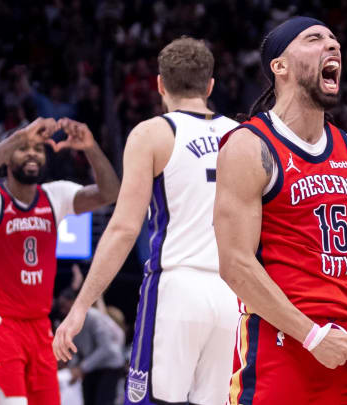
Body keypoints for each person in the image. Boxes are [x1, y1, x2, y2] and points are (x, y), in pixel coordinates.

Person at [213, 16, 347, 404]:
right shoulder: (250, 147)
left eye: (335, 40)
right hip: (284, 345)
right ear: (279, 66)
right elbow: (236, 264)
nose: (332, 45)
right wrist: (312, 335)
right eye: (315, 39)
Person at [53, 37, 240, 404]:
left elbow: (124, 228)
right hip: (232, 294)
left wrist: (80, 307)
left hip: (177, 288)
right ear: (210, 85)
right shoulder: (243, 136)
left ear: (159, 84)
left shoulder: (152, 133)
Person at [0, 116, 119, 405]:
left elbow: (109, 193)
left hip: (41, 328)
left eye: (38, 149)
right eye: (24, 148)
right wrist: (18, 137)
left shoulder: (55, 196)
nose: (32, 153)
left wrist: (90, 147)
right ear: (8, 156)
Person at [56, 288, 125, 405]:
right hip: (91, 367)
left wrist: (82, 368)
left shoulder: (94, 317)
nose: (62, 310)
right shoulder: (69, 323)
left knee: (103, 402)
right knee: (88, 401)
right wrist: (73, 368)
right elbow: (77, 350)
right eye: (60, 307)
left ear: (73, 302)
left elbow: (106, 348)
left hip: (109, 366)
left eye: (64, 306)